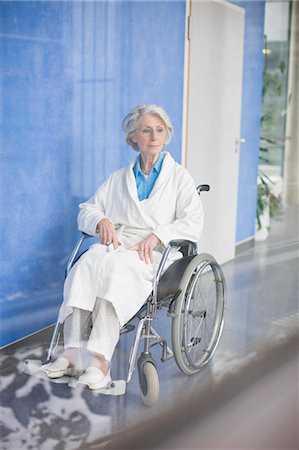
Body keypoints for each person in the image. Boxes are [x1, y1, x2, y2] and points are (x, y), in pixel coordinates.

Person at [41, 104, 204, 389]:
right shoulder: (118, 178)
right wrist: (101, 219)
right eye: (146, 130)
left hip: (155, 253)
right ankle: (71, 355)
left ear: (166, 136)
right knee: (87, 263)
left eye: (159, 130)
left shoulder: (180, 178)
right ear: (133, 138)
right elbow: (87, 210)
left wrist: (160, 234)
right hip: (119, 245)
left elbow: (193, 221)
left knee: (115, 272)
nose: (153, 136)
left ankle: (99, 363)